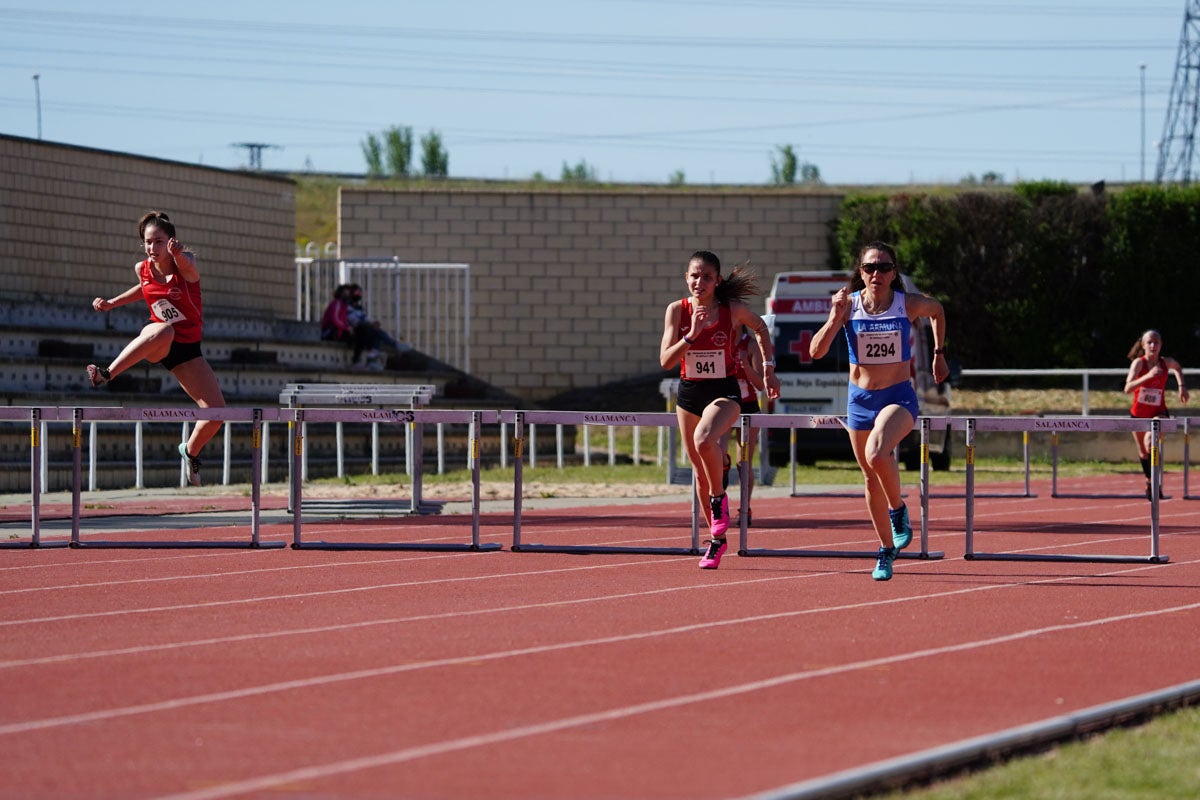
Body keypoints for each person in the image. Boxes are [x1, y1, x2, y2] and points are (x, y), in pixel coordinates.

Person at [809, 241, 948, 581]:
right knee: (870, 477)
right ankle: (886, 550)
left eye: (884, 268)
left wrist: (939, 353)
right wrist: (833, 316)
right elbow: (815, 351)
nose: (877, 274)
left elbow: (938, 310)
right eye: (870, 268)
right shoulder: (849, 306)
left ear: (893, 273)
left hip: (898, 398)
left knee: (876, 453)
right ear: (861, 273)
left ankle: (898, 510)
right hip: (859, 401)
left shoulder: (906, 304)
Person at [660, 251, 781, 569]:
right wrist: (691, 336)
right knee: (699, 470)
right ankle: (716, 542)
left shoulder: (732, 311)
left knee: (704, 441)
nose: (700, 282)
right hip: (689, 394)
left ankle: (718, 500)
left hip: (725, 393)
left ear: (718, 281)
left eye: (707, 277)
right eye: (694, 276)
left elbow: (761, 329)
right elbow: (666, 361)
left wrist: (768, 368)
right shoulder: (677, 311)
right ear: (686, 278)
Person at [86, 211, 225, 487]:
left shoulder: (185, 265)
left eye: (158, 242)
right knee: (163, 328)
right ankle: (106, 374)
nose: (152, 248)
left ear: (171, 241)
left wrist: (179, 255)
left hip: (187, 349)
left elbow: (187, 267)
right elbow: (143, 288)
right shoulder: (143, 268)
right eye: (148, 242)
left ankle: (190, 451)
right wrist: (112, 303)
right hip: (159, 340)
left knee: (216, 412)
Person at [1124, 329, 1188, 500]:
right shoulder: (1139, 363)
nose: (1153, 345)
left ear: (1161, 345)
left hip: (1159, 412)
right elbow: (1127, 388)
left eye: (1156, 342)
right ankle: (1150, 482)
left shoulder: (1166, 362)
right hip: (1137, 414)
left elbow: (1178, 368)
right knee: (1143, 453)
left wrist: (1182, 386)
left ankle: (1155, 482)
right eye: (1150, 342)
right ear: (1143, 345)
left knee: (1149, 440)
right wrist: (1149, 376)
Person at [720, 325, 767, 525]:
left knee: (744, 463)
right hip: (724, 404)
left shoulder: (750, 344)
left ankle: (744, 509)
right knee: (718, 452)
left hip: (748, 407)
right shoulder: (720, 339)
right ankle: (719, 504)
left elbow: (760, 384)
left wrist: (745, 365)